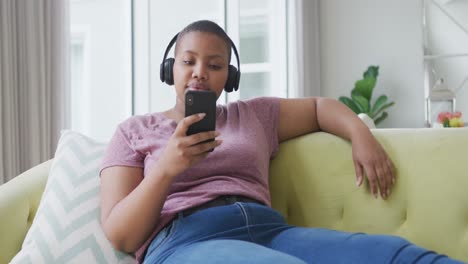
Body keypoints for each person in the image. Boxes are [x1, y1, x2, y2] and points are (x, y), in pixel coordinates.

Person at [99, 20, 463, 264]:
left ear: (230, 76)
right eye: (188, 61)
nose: (199, 72)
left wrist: (360, 135)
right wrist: (165, 170)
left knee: (396, 255)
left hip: (268, 229)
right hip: (185, 241)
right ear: (170, 70)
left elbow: (321, 108)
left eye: (214, 65)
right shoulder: (134, 131)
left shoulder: (253, 115)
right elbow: (121, 236)